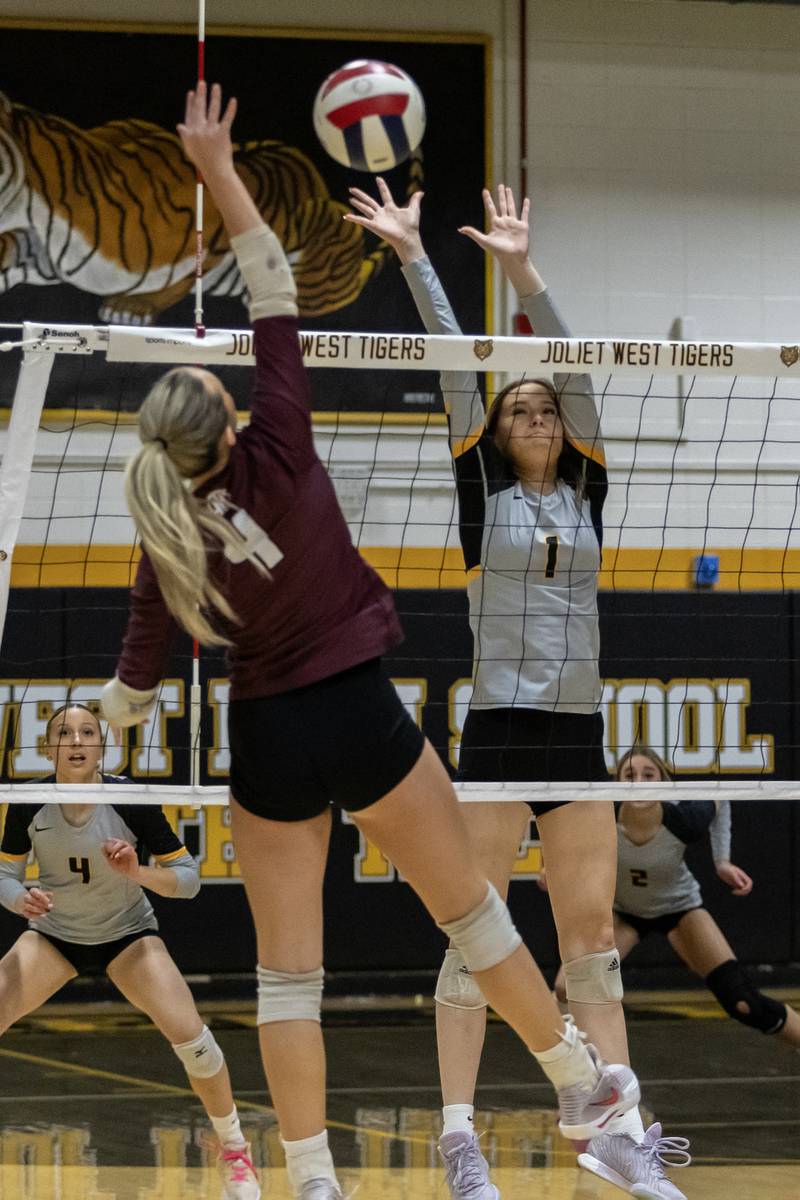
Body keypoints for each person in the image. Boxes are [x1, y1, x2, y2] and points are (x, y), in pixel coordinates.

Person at [100, 84, 641, 1200]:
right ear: (223, 415)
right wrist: (217, 166)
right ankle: (573, 1075)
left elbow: (143, 648)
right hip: (357, 705)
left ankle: (308, 1179)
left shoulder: (165, 529)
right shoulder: (282, 447)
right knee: (475, 916)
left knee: (287, 979)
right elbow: (269, 284)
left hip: (265, 737)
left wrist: (116, 718)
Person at [345, 180, 685, 1200]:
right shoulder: (475, 493)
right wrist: (412, 254)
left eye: (545, 406)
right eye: (516, 406)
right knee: (477, 932)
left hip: (573, 734)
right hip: (495, 732)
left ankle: (618, 1135)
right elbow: (459, 371)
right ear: (494, 430)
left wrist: (521, 270)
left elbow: (574, 370)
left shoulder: (588, 490)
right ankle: (458, 1137)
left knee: (588, 943)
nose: (534, 410)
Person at [0, 702, 260, 1200]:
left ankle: (235, 1153)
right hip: (54, 935)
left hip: (127, 934)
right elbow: (6, 876)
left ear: (103, 745)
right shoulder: (29, 800)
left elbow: (188, 880)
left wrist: (136, 873)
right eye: (64, 733)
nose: (75, 741)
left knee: (196, 1043)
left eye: (87, 732)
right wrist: (21, 900)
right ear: (47, 746)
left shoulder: (129, 799)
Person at [552, 746, 800, 1055]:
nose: (639, 783)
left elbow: (719, 799)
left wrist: (722, 861)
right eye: (629, 776)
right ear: (615, 784)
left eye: (649, 775)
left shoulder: (685, 820)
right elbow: (565, 836)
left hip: (679, 909)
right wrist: (551, 868)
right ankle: (579, 1079)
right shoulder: (604, 816)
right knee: (565, 987)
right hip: (624, 914)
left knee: (743, 1003)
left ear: (665, 783)